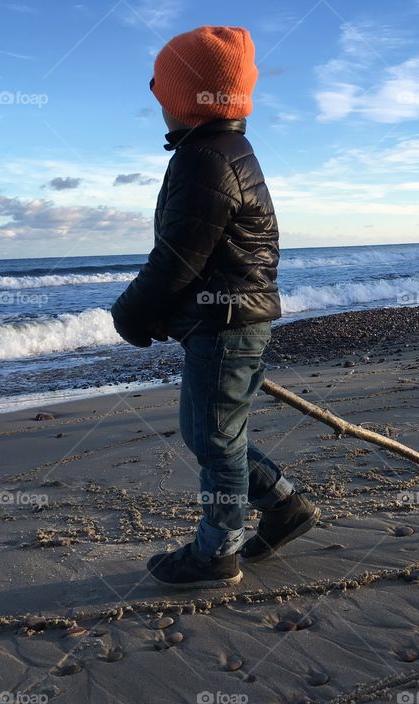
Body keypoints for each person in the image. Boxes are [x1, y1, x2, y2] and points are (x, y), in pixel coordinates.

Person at [110, 26, 319, 589]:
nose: (159, 105)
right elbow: (195, 255)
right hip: (226, 319)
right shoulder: (218, 151)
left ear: (189, 98)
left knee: (215, 437)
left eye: (165, 94)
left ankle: (217, 551)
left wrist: (131, 313)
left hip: (226, 323)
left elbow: (177, 257)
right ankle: (284, 505)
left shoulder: (206, 158)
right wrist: (163, 313)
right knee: (211, 432)